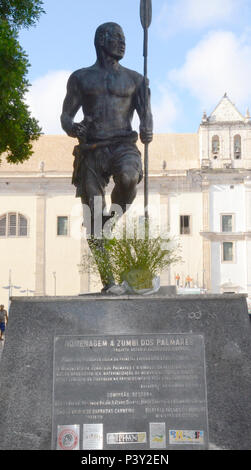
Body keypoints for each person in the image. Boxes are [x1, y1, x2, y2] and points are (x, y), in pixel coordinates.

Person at [61, 22, 153, 291]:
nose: (123, 43)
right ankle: (108, 281)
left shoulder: (136, 80)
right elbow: (66, 114)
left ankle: (108, 221)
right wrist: (71, 126)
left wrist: (147, 126)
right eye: (117, 38)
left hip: (123, 144)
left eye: (124, 38)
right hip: (92, 150)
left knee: (128, 178)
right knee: (92, 216)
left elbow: (145, 113)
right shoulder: (81, 78)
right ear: (102, 41)